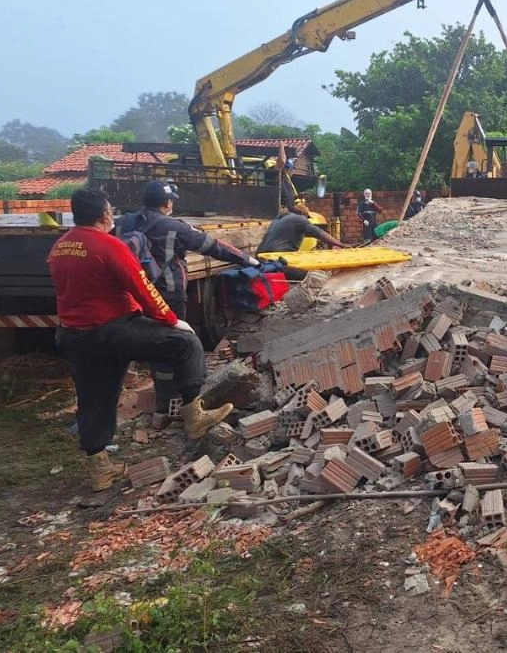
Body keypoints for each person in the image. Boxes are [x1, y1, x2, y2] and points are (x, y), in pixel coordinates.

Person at [48, 189, 233, 491]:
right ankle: (194, 415)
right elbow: (143, 288)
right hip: (114, 327)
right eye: (109, 210)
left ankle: (99, 470)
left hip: (74, 334)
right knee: (186, 343)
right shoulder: (109, 246)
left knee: (95, 395)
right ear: (104, 215)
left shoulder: (60, 247)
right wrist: (173, 320)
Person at [115, 180, 259, 415]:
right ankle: (169, 401)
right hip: (167, 296)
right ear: (166, 202)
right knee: (171, 347)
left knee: (138, 345)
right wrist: (248, 259)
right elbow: (212, 246)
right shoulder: (174, 226)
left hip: (132, 295)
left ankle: (126, 399)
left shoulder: (123, 223)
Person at [256, 204, 349, 279]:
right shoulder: (299, 219)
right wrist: (341, 245)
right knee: (316, 276)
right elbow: (319, 233)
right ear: (302, 214)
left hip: (260, 261)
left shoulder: (277, 221)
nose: (307, 220)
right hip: (278, 262)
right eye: (306, 217)